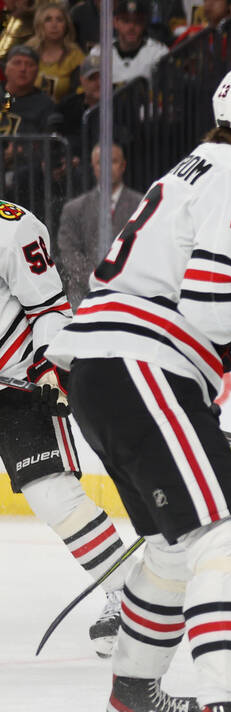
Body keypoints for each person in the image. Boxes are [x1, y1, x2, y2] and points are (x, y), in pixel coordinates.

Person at [46, 63, 231, 712]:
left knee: (174, 547)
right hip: (142, 361)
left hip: (101, 366)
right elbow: (206, 303)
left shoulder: (189, 167)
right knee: (230, 534)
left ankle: (135, 701)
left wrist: (220, 344)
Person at [0, 198, 135, 658]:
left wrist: (47, 367)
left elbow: (49, 309)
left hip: (17, 386)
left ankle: (128, 596)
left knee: (53, 496)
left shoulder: (12, 228)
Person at [56, 142, 142, 309]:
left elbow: (144, 250)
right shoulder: (74, 209)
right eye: (100, 162)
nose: (107, 167)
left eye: (113, 161)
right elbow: (69, 253)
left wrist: (120, 283)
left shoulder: (141, 205)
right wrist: (97, 281)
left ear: (123, 166)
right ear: (93, 167)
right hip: (83, 298)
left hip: (130, 297)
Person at [87, 0, 169, 87]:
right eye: (126, 21)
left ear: (144, 24)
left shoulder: (158, 52)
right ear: (115, 22)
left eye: (137, 21)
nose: (131, 27)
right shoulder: (99, 52)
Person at [27, 0, 85, 104]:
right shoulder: (28, 52)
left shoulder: (76, 56)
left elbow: (81, 94)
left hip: (63, 113)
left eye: (59, 20)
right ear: (40, 24)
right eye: (48, 20)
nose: (54, 25)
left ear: (66, 25)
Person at [0, 45, 57, 134]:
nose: (23, 69)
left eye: (30, 64)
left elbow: (47, 144)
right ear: (6, 68)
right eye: (17, 63)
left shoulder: (45, 105)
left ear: (37, 72)